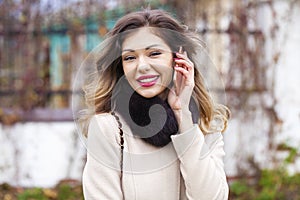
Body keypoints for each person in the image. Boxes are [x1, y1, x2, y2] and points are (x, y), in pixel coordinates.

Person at [78, 8, 230, 200]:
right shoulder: (108, 128)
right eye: (130, 57)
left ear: (179, 58)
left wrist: (183, 115)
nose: (142, 66)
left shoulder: (206, 127)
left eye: (154, 53)